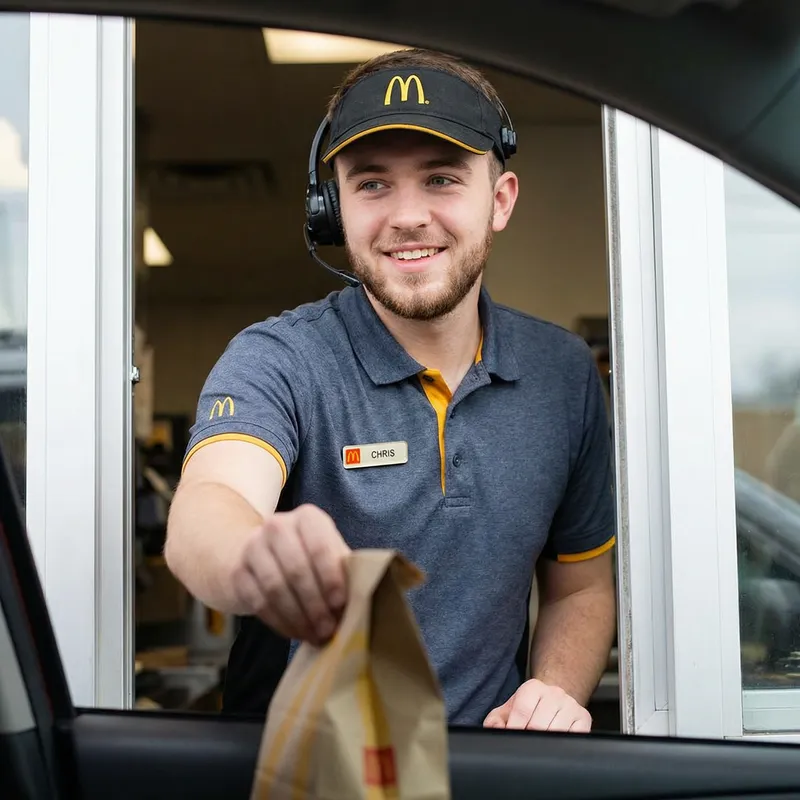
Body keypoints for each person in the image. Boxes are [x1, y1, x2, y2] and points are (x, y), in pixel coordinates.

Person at [164, 47, 617, 733]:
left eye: (441, 179)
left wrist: (553, 692)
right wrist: (256, 557)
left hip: (491, 772)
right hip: (314, 776)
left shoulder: (563, 374)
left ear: (500, 200)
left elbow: (581, 585)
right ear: (331, 209)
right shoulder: (280, 359)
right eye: (372, 184)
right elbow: (208, 508)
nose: (408, 216)